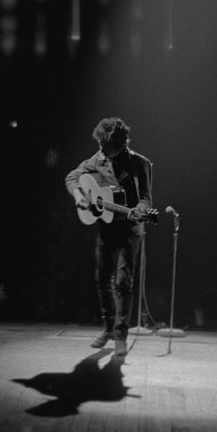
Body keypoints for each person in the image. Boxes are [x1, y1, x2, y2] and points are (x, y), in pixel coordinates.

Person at [65, 117, 154, 355]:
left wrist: (140, 212)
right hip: (106, 227)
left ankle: (121, 335)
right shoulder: (97, 159)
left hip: (131, 228)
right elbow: (72, 178)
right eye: (100, 145)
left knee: (123, 281)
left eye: (105, 146)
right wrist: (78, 196)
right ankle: (108, 329)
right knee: (102, 279)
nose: (101, 150)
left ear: (121, 143)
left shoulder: (139, 163)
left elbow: (146, 199)